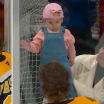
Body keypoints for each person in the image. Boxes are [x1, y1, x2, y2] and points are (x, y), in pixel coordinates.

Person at [20, 3, 77, 98]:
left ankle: (71, 98)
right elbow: (36, 48)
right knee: (46, 84)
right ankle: (46, 99)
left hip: (63, 66)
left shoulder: (66, 33)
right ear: (44, 21)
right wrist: (27, 46)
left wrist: (72, 59)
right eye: (50, 22)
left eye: (57, 22)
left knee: (67, 82)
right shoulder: (42, 33)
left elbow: (71, 48)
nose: (54, 25)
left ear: (62, 20)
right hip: (47, 68)